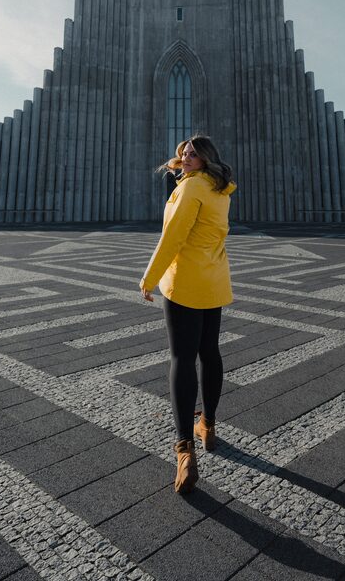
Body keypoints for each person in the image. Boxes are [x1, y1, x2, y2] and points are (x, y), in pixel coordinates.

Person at [139, 135, 237, 494]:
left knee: (181, 359)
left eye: (193, 153)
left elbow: (172, 238)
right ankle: (207, 425)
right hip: (213, 282)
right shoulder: (220, 190)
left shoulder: (191, 190)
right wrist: (177, 171)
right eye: (183, 154)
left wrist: (149, 278)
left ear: (206, 156)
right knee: (209, 353)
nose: (186, 157)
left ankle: (184, 450)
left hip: (185, 284)